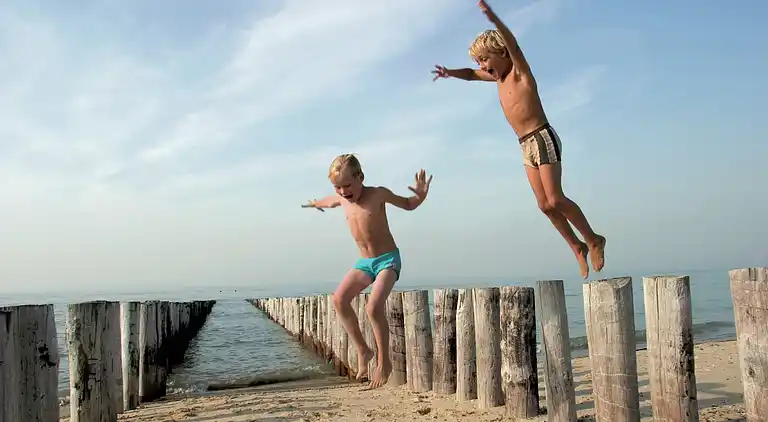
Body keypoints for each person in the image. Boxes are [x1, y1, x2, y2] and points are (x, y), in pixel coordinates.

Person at [431, 0, 606, 279]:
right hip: (524, 145)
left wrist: (494, 20)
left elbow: (512, 42)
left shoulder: (519, 72)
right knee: (544, 205)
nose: (482, 67)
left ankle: (594, 239)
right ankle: (576, 247)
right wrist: (450, 73)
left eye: (485, 59)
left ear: (502, 53)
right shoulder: (496, 79)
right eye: (479, 62)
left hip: (542, 137)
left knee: (556, 198)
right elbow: (469, 76)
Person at [302, 153, 433, 388]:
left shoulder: (378, 194)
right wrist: (314, 204)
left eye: (347, 185)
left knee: (373, 307)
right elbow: (329, 201)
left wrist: (420, 196)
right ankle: (363, 350)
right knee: (339, 299)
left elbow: (407, 204)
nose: (343, 191)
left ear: (360, 177)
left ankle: (384, 363)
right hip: (364, 263)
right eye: (337, 187)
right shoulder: (341, 199)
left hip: (388, 261)